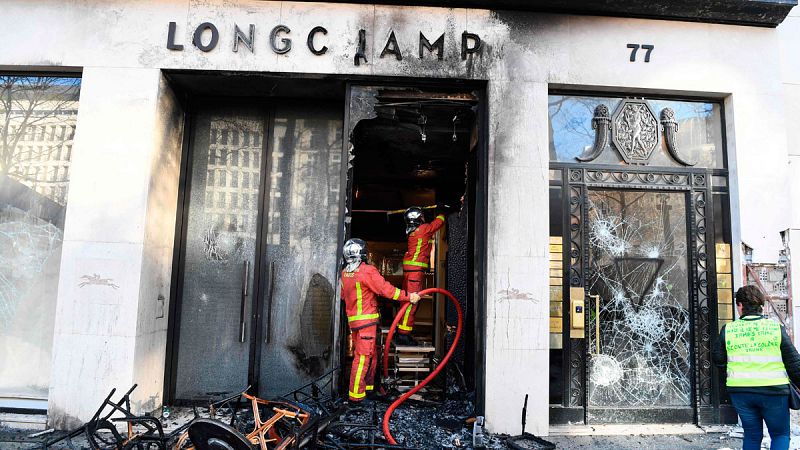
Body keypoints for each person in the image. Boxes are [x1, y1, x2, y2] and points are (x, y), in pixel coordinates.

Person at [712, 285, 800, 450]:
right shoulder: (775, 329)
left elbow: (718, 359)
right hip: (774, 391)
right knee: (780, 435)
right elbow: (794, 363)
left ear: (740, 305)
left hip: (741, 392)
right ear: (762, 306)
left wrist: (733, 372)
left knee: (752, 435)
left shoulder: (728, 330)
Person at [341, 238, 420, 403]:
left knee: (371, 355)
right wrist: (409, 297)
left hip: (356, 322)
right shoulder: (367, 271)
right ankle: (355, 398)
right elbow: (386, 290)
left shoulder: (345, 273)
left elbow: (344, 296)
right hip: (367, 322)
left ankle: (369, 389)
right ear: (362, 254)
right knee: (362, 358)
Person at [396, 207, 446, 345]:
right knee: (411, 303)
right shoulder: (423, 229)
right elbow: (438, 224)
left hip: (410, 271)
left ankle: (401, 330)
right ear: (419, 218)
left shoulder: (412, 231)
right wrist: (442, 213)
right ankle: (403, 335)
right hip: (415, 272)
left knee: (405, 302)